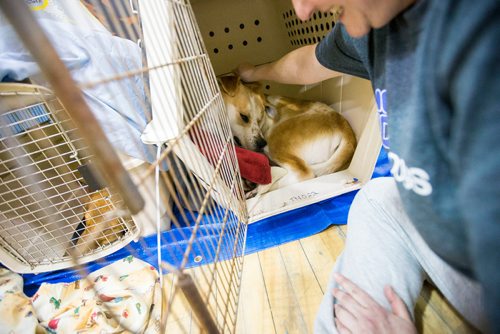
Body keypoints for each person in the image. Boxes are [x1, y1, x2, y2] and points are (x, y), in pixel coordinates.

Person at [237, 0, 499, 333]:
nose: (302, 11)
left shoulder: (480, 39)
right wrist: (253, 73)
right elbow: (306, 64)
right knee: (378, 195)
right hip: (449, 236)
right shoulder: (372, 29)